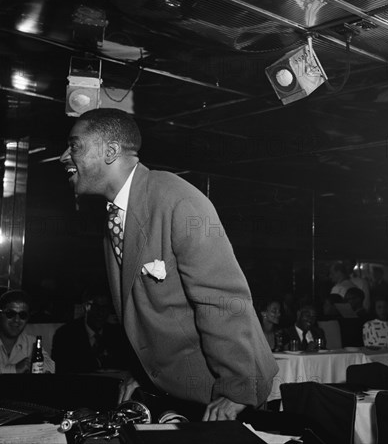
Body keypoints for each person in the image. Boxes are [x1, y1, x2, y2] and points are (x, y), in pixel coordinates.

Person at [59, 108, 278, 421]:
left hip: (225, 393)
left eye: (75, 146)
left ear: (110, 151)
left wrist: (237, 389)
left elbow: (223, 300)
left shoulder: (178, 200)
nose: (64, 156)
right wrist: (145, 372)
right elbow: (144, 309)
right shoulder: (114, 215)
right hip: (175, 390)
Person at [52, 286, 130, 373]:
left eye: (105, 308)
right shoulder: (66, 335)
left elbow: (124, 365)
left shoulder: (117, 335)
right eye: (96, 307)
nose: (101, 313)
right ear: (86, 307)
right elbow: (62, 368)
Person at [0, 289, 55, 374]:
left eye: (22, 315)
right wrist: (14, 369)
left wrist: (34, 367)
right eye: (10, 314)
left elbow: (50, 367)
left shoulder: (31, 343)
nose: (17, 320)